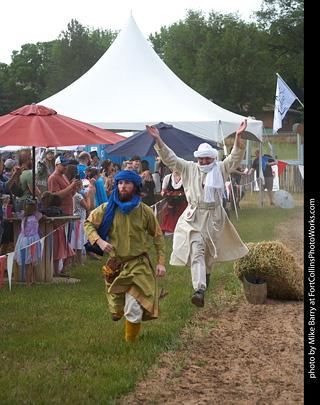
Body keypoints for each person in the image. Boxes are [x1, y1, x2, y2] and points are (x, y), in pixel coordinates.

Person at [146, 120, 249, 308]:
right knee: (197, 250)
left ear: (212, 158)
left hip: (214, 218)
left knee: (208, 257)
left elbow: (234, 158)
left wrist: (238, 137)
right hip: (194, 217)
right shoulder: (189, 168)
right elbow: (171, 159)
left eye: (207, 159)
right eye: (201, 159)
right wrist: (159, 140)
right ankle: (199, 290)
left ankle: (205, 278)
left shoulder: (221, 168)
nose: (203, 162)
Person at [83, 170, 166, 343]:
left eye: (127, 183)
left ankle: (131, 343)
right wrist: (99, 242)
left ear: (136, 187)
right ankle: (118, 311)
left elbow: (157, 236)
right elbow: (88, 224)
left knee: (134, 305)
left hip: (139, 265)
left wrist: (161, 263)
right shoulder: (107, 208)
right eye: (120, 183)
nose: (123, 187)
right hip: (116, 266)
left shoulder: (145, 212)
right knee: (117, 307)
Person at [48, 156, 81, 277]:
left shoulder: (64, 176)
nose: (66, 167)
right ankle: (58, 269)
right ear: (57, 165)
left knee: (65, 241)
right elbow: (55, 196)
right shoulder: (53, 178)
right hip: (59, 214)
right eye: (63, 165)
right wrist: (71, 187)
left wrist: (74, 188)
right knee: (60, 242)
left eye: (67, 165)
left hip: (67, 213)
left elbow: (69, 195)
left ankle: (61, 268)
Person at [14, 198, 43, 285]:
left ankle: (28, 281)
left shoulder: (23, 218)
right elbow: (41, 214)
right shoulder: (36, 217)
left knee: (27, 264)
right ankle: (32, 279)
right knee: (32, 262)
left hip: (23, 241)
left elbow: (17, 213)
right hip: (33, 241)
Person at [71, 181, 95, 266]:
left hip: (75, 220)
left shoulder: (73, 196)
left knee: (74, 242)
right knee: (79, 242)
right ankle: (79, 263)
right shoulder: (78, 196)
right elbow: (88, 207)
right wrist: (88, 198)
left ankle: (73, 262)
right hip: (79, 221)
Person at [160, 169, 187, 236]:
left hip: (182, 204)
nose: (175, 169)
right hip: (171, 204)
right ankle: (170, 233)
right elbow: (163, 191)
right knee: (170, 220)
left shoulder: (185, 177)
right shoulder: (167, 178)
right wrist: (164, 193)